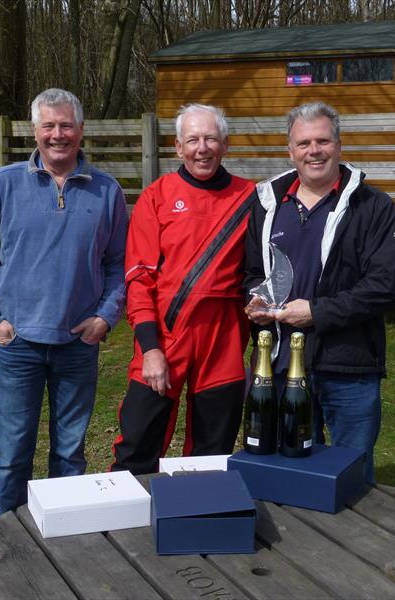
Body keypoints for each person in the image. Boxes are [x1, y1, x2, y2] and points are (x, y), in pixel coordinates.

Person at [0, 88, 128, 514]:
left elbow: (121, 264)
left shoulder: (106, 192)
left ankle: (62, 539)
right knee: (14, 455)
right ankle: (8, 539)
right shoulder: (3, 184)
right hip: (18, 345)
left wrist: (106, 317)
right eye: (48, 125)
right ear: (34, 131)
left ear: (81, 131)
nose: (58, 135)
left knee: (69, 455)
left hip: (77, 345)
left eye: (66, 125)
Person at [244, 101, 395, 484]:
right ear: (290, 150)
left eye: (322, 141)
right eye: (303, 143)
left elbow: (386, 286)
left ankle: (356, 540)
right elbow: (252, 272)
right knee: (289, 468)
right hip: (282, 367)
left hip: (348, 367)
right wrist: (254, 299)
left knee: (352, 473)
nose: (313, 151)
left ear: (338, 145)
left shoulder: (373, 206)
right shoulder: (267, 205)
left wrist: (317, 311)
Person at [110, 103, 257, 475]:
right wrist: (151, 349)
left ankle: (198, 523)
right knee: (138, 441)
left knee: (214, 448)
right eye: (192, 140)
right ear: (178, 148)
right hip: (165, 335)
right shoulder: (156, 197)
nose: (202, 148)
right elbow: (139, 280)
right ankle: (127, 526)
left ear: (225, 145)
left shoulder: (251, 199)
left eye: (210, 138)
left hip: (223, 336)